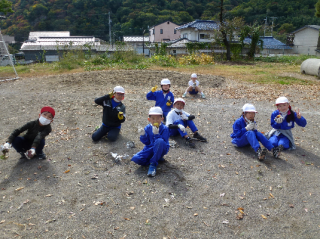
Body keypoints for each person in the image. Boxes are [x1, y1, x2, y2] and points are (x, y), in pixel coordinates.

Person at [131, 107, 170, 177]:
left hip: (161, 148)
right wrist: (143, 135)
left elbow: (163, 142)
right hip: (149, 148)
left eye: (158, 118)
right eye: (153, 118)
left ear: (162, 119)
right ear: (149, 119)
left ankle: (153, 163)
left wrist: (157, 134)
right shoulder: (147, 128)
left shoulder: (165, 128)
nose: (155, 120)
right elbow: (147, 143)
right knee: (135, 158)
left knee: (159, 141)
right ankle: (155, 158)